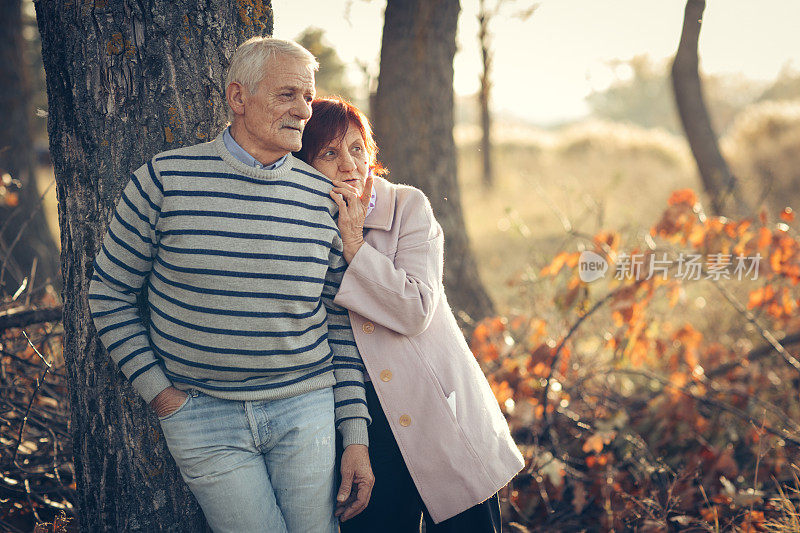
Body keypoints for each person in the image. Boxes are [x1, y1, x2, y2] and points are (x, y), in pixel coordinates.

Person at [87, 38, 374, 532]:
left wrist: (355, 436)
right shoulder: (164, 180)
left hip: (305, 410)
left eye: (308, 97)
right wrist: (161, 394)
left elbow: (337, 322)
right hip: (201, 416)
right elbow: (109, 294)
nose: (304, 111)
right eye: (287, 95)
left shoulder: (323, 199)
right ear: (238, 97)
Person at [295, 97, 524, 532]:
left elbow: (417, 307)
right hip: (364, 422)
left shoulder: (408, 208)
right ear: (303, 164)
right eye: (329, 153)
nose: (350, 164)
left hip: (438, 409)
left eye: (357, 148)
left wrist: (355, 246)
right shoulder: (302, 229)